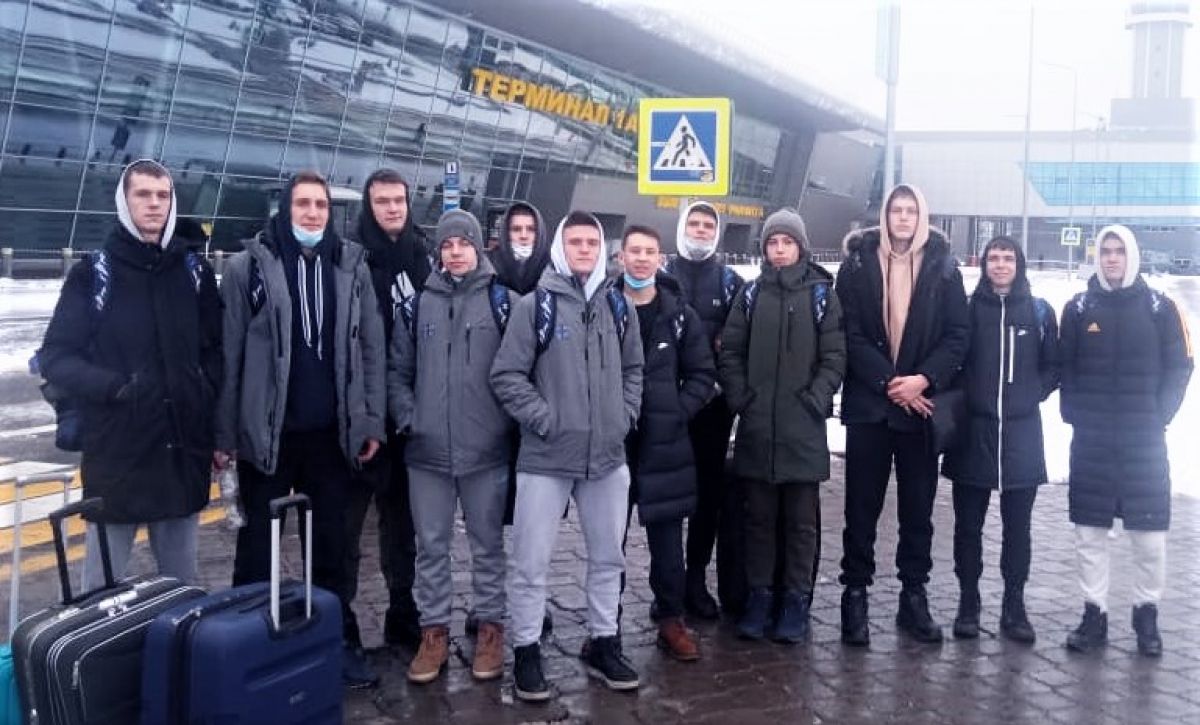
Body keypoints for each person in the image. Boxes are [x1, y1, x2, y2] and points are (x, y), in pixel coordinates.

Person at [215, 170, 387, 688]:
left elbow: (372, 349)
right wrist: (224, 434)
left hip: (331, 436)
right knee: (257, 550)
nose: (312, 213)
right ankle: (246, 647)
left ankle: (336, 640)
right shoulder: (249, 267)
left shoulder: (350, 265)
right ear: (285, 208)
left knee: (331, 547)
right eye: (303, 204)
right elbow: (229, 355)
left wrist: (370, 419)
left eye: (321, 205)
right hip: (267, 436)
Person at [39, 159, 221, 591]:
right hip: (118, 454)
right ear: (124, 201)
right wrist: (116, 388)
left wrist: (204, 397)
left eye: (163, 195)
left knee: (182, 592)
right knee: (101, 595)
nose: (154, 204)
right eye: (143, 194)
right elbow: (56, 357)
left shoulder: (194, 272)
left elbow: (216, 351)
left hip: (181, 455)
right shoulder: (94, 273)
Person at [491, 211, 643, 701]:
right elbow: (507, 375)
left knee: (608, 556)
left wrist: (623, 416)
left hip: (607, 457)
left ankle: (603, 641)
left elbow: (634, 369)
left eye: (591, 243)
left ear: (601, 249)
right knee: (530, 561)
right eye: (575, 242)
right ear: (560, 247)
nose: (584, 250)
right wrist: (545, 419)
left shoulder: (619, 306)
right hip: (546, 456)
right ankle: (526, 649)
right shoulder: (535, 307)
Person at [836, 183, 969, 646]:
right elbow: (847, 332)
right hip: (870, 406)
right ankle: (855, 594)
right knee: (861, 508)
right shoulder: (856, 264)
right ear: (886, 215)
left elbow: (958, 335)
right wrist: (892, 383)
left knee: (917, 509)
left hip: (921, 408)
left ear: (923, 216)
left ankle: (914, 595)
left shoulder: (944, 267)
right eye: (897, 209)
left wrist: (923, 379)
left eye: (912, 210)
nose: (904, 217)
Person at [388, 209, 515, 684]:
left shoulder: (504, 302)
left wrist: (503, 424)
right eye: (447, 245)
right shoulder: (417, 305)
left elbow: (519, 371)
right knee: (431, 547)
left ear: (478, 246)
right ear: (438, 251)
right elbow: (398, 372)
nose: (456, 252)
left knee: (488, 545)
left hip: (486, 451)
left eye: (463, 243)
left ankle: (490, 628)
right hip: (427, 453)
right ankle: (434, 631)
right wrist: (410, 417)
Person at [1059, 224, 1193, 657]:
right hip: (1092, 441)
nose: (1112, 258)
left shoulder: (1161, 308)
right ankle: (1093, 615)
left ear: (1132, 255)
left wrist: (1159, 414)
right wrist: (1075, 413)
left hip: (1143, 442)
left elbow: (1182, 365)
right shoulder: (1078, 308)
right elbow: (1065, 366)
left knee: (1149, 537)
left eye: (1119, 251)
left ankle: (1146, 615)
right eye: (1106, 251)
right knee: (1089, 535)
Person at [719, 209, 846, 643]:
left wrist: (815, 399)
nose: (779, 250)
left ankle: (795, 598)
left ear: (800, 247)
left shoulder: (822, 296)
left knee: (800, 524)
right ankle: (760, 596)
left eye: (787, 242)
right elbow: (730, 352)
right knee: (758, 520)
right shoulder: (751, 294)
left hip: (803, 429)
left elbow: (835, 357)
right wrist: (742, 399)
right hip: (758, 428)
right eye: (772, 242)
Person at [942, 236, 1059, 643]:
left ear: (1019, 264)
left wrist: (1031, 394)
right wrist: (968, 395)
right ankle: (968, 602)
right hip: (974, 431)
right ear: (984, 264)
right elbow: (952, 360)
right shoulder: (969, 310)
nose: (1001, 264)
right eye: (993, 258)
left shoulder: (1039, 312)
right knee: (968, 526)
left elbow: (1053, 365)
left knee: (1018, 528)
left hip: (1022, 433)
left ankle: (1014, 605)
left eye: (1008, 258)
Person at [616, 224, 716, 661]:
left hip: (665, 442)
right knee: (609, 541)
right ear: (621, 257)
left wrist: (678, 411)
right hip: (615, 442)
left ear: (660, 258)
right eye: (634, 251)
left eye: (650, 251)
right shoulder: (604, 306)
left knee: (668, 544)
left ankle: (671, 620)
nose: (641, 259)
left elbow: (703, 374)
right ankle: (605, 623)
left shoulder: (679, 314)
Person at [343, 168, 429, 652]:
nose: (393, 208)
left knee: (402, 522)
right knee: (348, 523)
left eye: (399, 200)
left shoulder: (423, 255)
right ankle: (343, 621)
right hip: (365, 410)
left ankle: (403, 609)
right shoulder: (351, 258)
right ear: (369, 206)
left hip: (411, 412)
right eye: (382, 201)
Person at [663, 201, 745, 617]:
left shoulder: (731, 283)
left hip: (712, 408)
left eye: (707, 225)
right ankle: (667, 582)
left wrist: (720, 384)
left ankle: (696, 576)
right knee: (666, 496)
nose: (699, 231)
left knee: (707, 496)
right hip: (666, 407)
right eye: (693, 223)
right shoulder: (662, 276)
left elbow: (737, 343)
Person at [488, 201, 550, 295]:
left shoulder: (551, 267)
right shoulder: (489, 264)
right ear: (506, 233)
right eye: (516, 229)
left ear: (540, 233)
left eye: (531, 229)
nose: (523, 236)